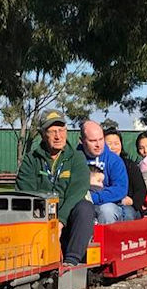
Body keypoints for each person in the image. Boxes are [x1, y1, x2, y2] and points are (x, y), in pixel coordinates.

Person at [15, 109, 93, 266]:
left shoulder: (77, 158)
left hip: (67, 215)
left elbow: (76, 192)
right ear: (43, 134)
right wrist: (47, 219)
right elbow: (25, 191)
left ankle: (72, 260)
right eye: (52, 131)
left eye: (61, 130)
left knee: (85, 207)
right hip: (40, 216)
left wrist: (60, 221)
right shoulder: (31, 159)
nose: (58, 136)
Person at [78, 120, 128, 224]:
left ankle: (106, 239)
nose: (98, 144)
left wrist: (92, 198)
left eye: (101, 139)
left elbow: (120, 189)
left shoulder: (114, 160)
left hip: (108, 203)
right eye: (92, 141)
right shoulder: (74, 159)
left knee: (107, 211)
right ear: (82, 141)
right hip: (80, 202)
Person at [104, 127, 146, 220]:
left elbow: (141, 190)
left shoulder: (130, 166)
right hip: (108, 203)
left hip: (129, 205)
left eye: (116, 143)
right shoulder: (99, 165)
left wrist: (133, 201)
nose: (113, 147)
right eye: (109, 144)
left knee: (128, 213)